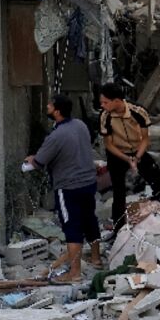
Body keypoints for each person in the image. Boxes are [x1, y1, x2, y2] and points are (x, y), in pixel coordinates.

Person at [27, 94, 102, 283]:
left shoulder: (56, 136)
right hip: (88, 182)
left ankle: (74, 273)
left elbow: (39, 161)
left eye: (50, 105)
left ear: (57, 111)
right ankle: (96, 258)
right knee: (90, 219)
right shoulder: (80, 125)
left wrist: (31, 160)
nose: (47, 107)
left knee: (72, 227)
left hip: (68, 187)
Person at [98, 82, 160, 229]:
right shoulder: (105, 116)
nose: (102, 105)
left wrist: (136, 157)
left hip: (138, 150)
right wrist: (126, 159)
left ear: (116, 101)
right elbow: (108, 144)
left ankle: (149, 214)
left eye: (105, 102)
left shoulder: (138, 111)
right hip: (117, 154)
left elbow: (145, 139)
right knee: (119, 193)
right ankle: (119, 228)